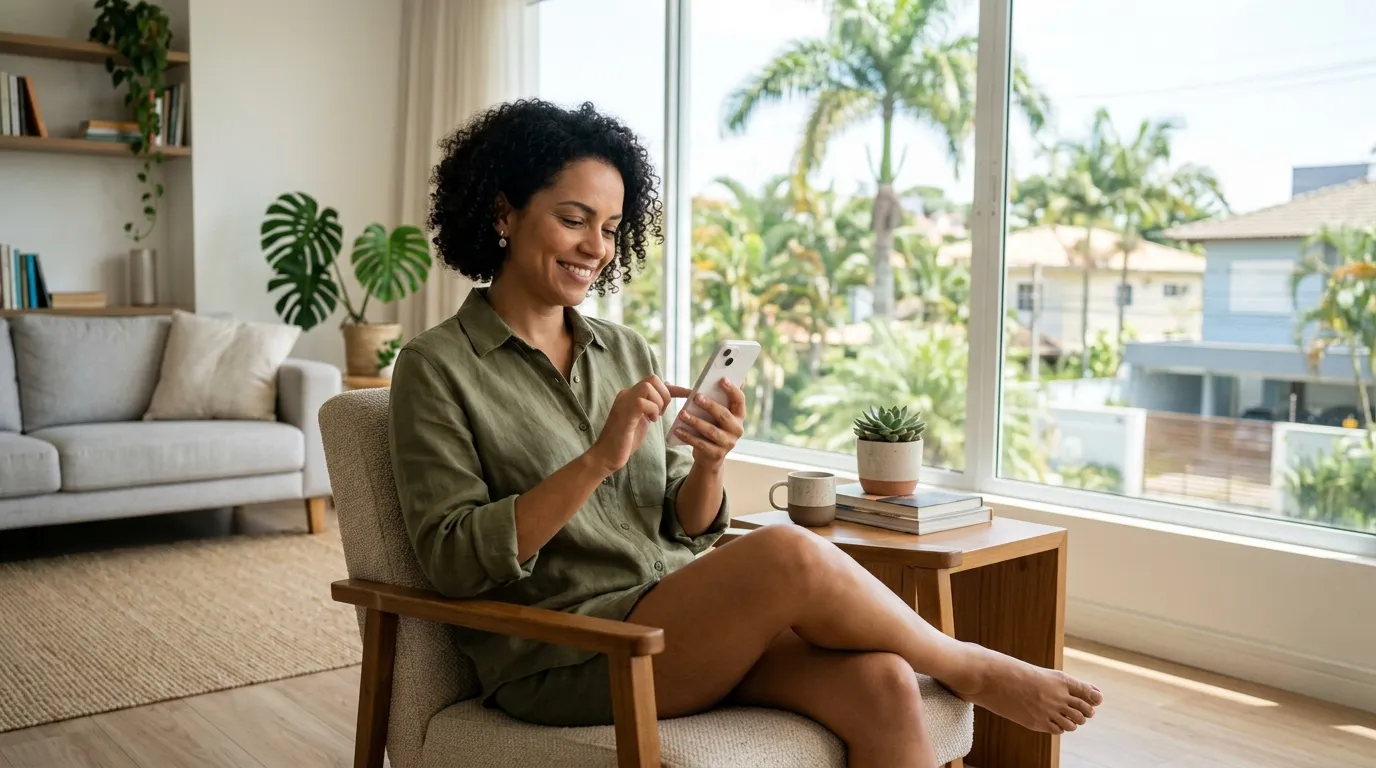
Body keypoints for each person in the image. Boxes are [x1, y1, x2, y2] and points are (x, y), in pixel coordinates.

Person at [388, 99, 1101, 768]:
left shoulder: (623, 349)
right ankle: (964, 662)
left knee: (884, 682)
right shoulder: (437, 367)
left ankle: (939, 660)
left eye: (610, 228)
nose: (596, 248)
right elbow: (451, 559)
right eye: (575, 220)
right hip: (572, 655)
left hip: (680, 621)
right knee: (788, 552)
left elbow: (684, 526)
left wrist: (708, 464)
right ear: (503, 212)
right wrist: (599, 459)